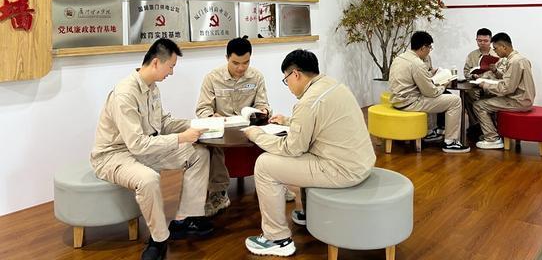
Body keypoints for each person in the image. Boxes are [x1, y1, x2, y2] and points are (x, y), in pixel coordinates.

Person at [242, 49, 376, 257]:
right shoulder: (332, 85)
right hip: (361, 161)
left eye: (286, 80)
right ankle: (308, 213)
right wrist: (287, 121)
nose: (288, 86)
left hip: (342, 170)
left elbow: (292, 148)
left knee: (264, 164)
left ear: (295, 74)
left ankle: (277, 239)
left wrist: (256, 135)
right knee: (300, 152)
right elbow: (317, 122)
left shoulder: (308, 102)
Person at [90, 39, 213, 260]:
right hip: (114, 156)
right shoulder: (125, 94)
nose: (172, 72)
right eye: (171, 66)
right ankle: (159, 239)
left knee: (199, 154)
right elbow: (137, 143)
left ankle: (185, 219)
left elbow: (162, 123)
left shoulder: (152, 88)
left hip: (144, 150)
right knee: (148, 179)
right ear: (156, 62)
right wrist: (181, 138)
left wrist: (197, 124)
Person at [195, 36, 271, 216]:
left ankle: (274, 183)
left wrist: (263, 111)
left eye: (246, 62)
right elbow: (202, 109)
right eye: (236, 63)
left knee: (273, 132)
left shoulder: (256, 77)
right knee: (214, 144)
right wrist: (211, 116)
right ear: (227, 58)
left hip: (248, 127)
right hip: (223, 128)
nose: (241, 68)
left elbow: (263, 103)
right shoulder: (212, 78)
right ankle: (218, 193)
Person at [388, 31, 469, 153]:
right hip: (410, 103)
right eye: (429, 47)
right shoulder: (417, 63)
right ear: (423, 47)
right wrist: (443, 85)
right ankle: (451, 142)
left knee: (432, 96)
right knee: (455, 100)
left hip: (397, 100)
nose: (430, 51)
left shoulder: (400, 58)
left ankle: (430, 132)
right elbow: (431, 93)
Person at [472, 32, 536, 149]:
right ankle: (495, 133)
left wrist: (484, 84)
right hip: (523, 98)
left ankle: (492, 138)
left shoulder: (514, 62)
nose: (495, 51)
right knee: (487, 98)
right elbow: (510, 79)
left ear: (504, 47)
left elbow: (506, 88)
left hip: (518, 101)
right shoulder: (519, 59)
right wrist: (495, 72)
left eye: (496, 48)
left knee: (478, 105)